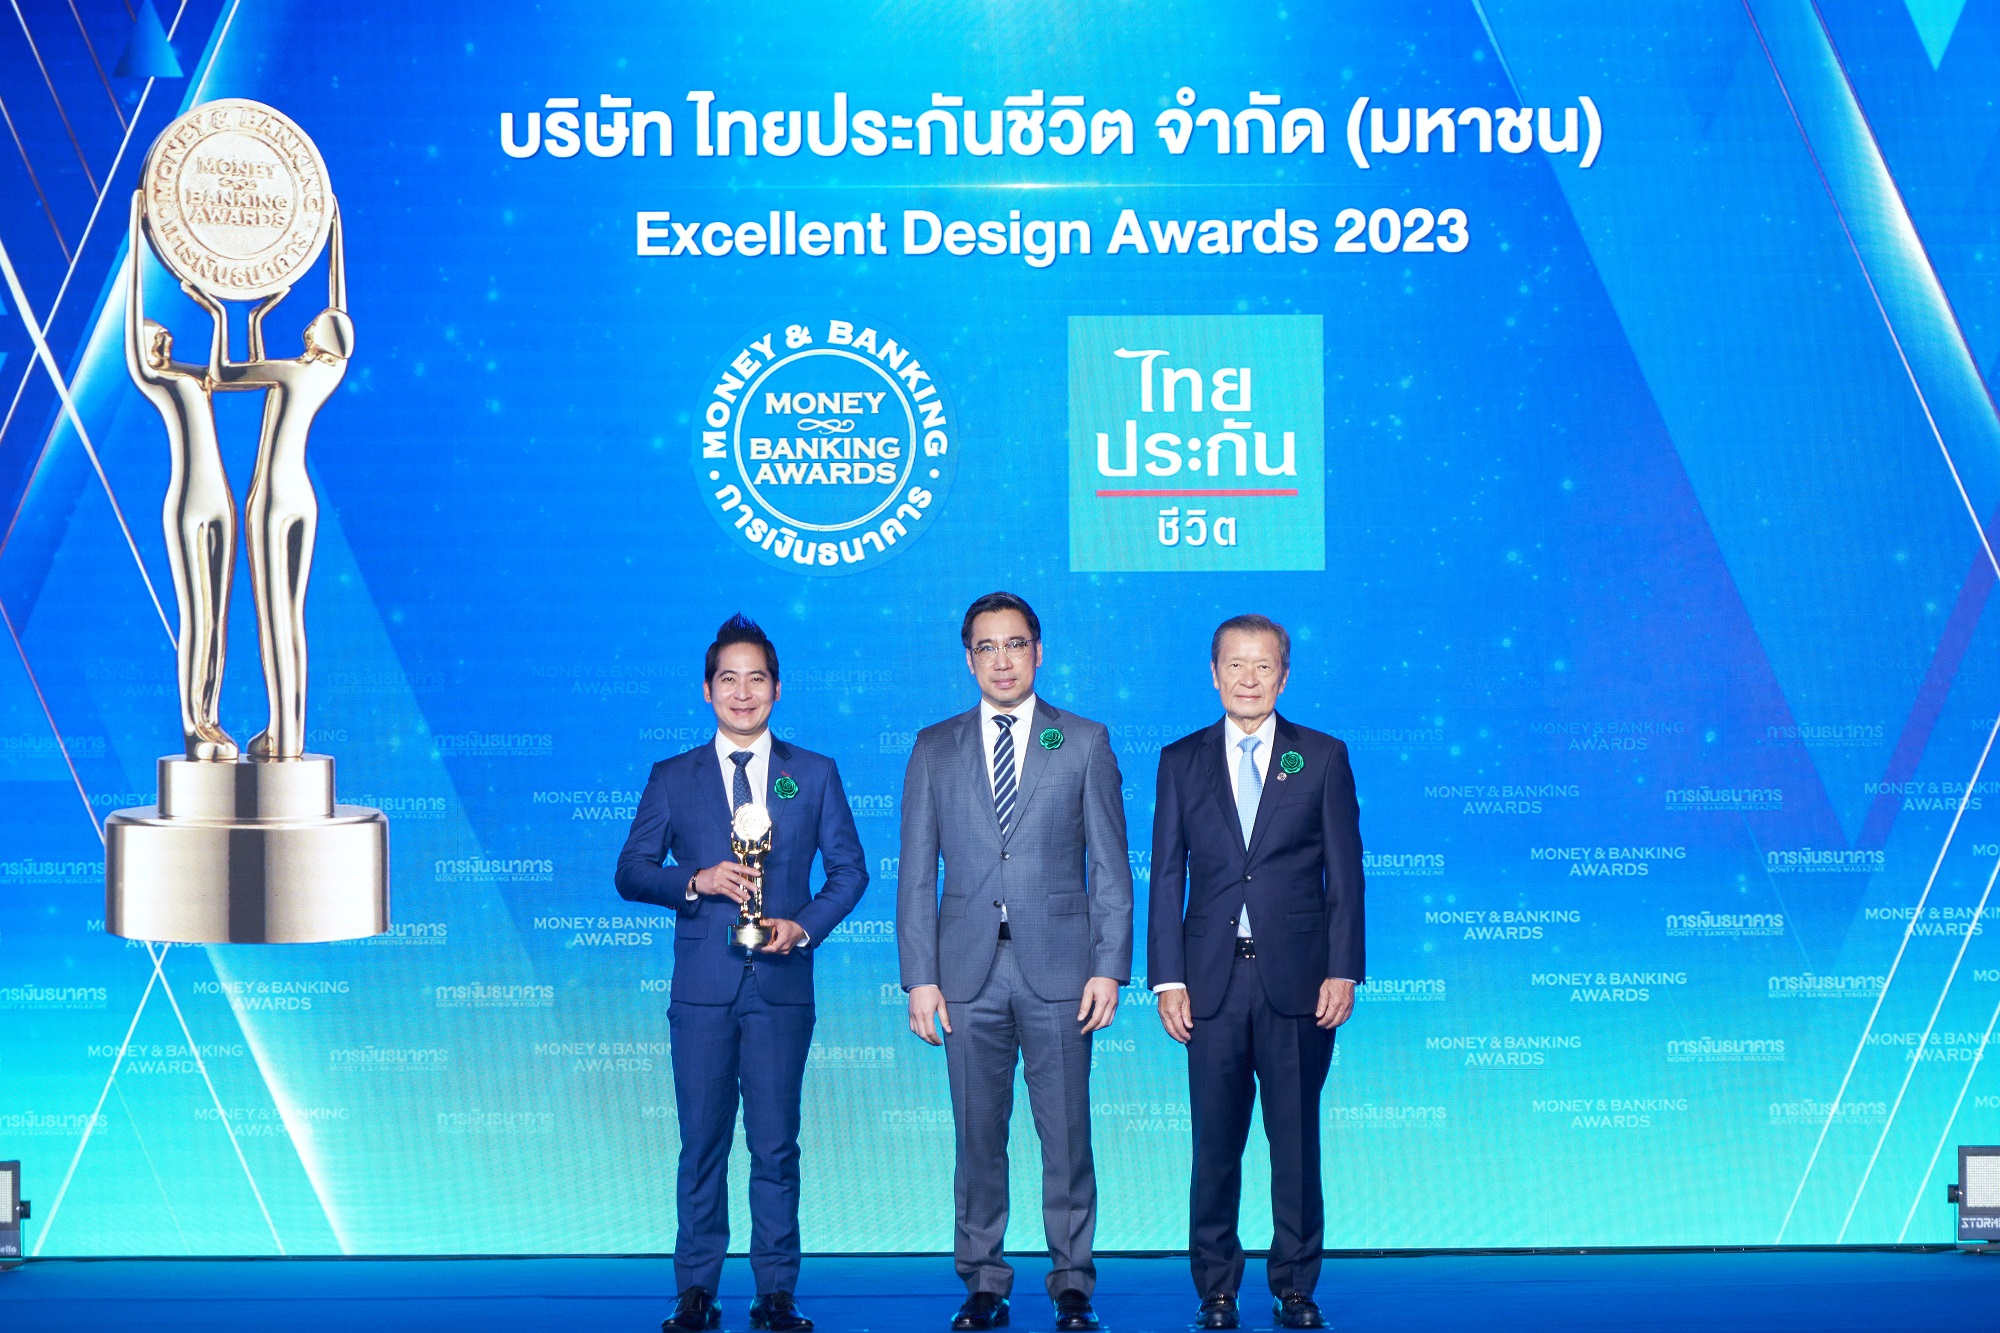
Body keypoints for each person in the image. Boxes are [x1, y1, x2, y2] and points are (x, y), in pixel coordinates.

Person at [616, 615, 868, 1333]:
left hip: (782, 987)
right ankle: (695, 1289)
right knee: (701, 1143)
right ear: (707, 690)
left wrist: (803, 925)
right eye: (729, 679)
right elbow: (630, 871)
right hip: (702, 989)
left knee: (776, 1145)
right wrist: (693, 881)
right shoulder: (673, 777)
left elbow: (850, 871)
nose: (743, 692)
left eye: (757, 678)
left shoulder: (813, 772)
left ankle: (776, 1290)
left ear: (777, 689)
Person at [897, 591, 1132, 1333]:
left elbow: (1111, 866)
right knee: (977, 1136)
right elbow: (915, 873)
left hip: (1063, 972)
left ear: (1039, 652)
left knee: (1066, 1136)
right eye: (987, 647)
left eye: (1016, 644)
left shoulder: (1084, 740)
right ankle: (983, 1280)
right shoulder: (934, 747)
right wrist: (920, 977)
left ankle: (1072, 1281)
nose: (1003, 660)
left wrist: (1109, 966)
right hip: (964, 974)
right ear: (969, 660)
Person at [1147, 614, 1365, 1331]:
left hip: (1299, 983)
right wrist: (1168, 978)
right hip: (1210, 983)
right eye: (1235, 665)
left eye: (1263, 666)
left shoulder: (1321, 756)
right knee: (1215, 1145)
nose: (1249, 678)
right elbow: (1166, 875)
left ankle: (1295, 1285)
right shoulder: (1180, 759)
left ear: (1284, 676)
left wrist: (1343, 969)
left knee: (1294, 1143)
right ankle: (1216, 1287)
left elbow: (1345, 875)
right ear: (1213, 674)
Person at [194, 205, 351, 759]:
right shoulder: (326, 370)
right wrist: (332, 233)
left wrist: (219, 313)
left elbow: (224, 375)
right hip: (301, 498)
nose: (309, 324)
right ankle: (288, 733)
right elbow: (337, 300)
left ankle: (283, 733)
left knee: (272, 622)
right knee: (288, 619)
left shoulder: (296, 369)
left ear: (320, 335)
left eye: (315, 323)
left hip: (273, 500)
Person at [124, 192, 236, 760]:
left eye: (164, 332)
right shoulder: (155, 379)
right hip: (189, 503)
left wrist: (216, 310)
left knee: (221, 619)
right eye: (154, 334)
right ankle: (196, 725)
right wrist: (138, 233)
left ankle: (212, 719)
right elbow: (133, 328)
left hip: (222, 501)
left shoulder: (193, 376)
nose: (164, 337)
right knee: (198, 614)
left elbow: (226, 367)